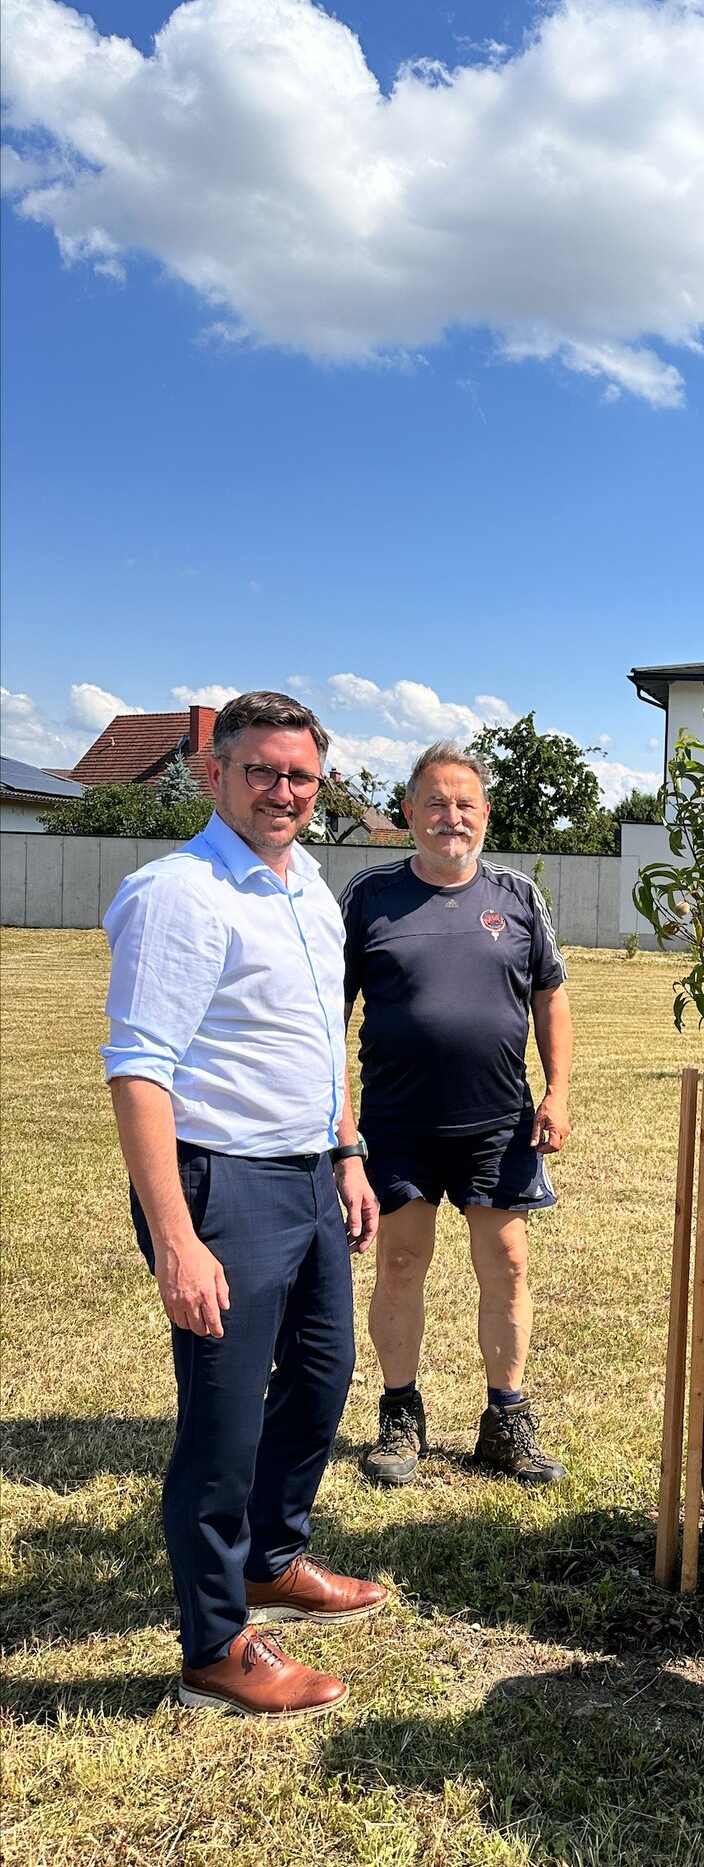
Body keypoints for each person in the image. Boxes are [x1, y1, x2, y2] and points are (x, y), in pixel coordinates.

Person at [103, 691, 387, 1719]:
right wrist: (177, 1237)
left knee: (322, 1377)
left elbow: (318, 1040)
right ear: (212, 772)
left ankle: (273, 1558)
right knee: (222, 1423)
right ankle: (215, 1645)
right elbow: (139, 1070)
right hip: (220, 1181)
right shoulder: (178, 894)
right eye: (262, 770)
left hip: (311, 1173)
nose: (283, 791)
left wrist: (347, 1151)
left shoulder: (311, 886)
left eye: (300, 775)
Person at [339, 740, 572, 1488]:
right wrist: (341, 1122)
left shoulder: (517, 896)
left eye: (464, 804)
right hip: (397, 1125)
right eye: (435, 803)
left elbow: (549, 995)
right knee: (401, 1263)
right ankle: (400, 1416)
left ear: (485, 814)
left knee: (505, 1265)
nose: (450, 817)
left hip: (497, 1124)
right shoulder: (368, 895)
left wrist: (558, 1090)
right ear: (408, 812)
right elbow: (325, 1013)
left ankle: (506, 1419)